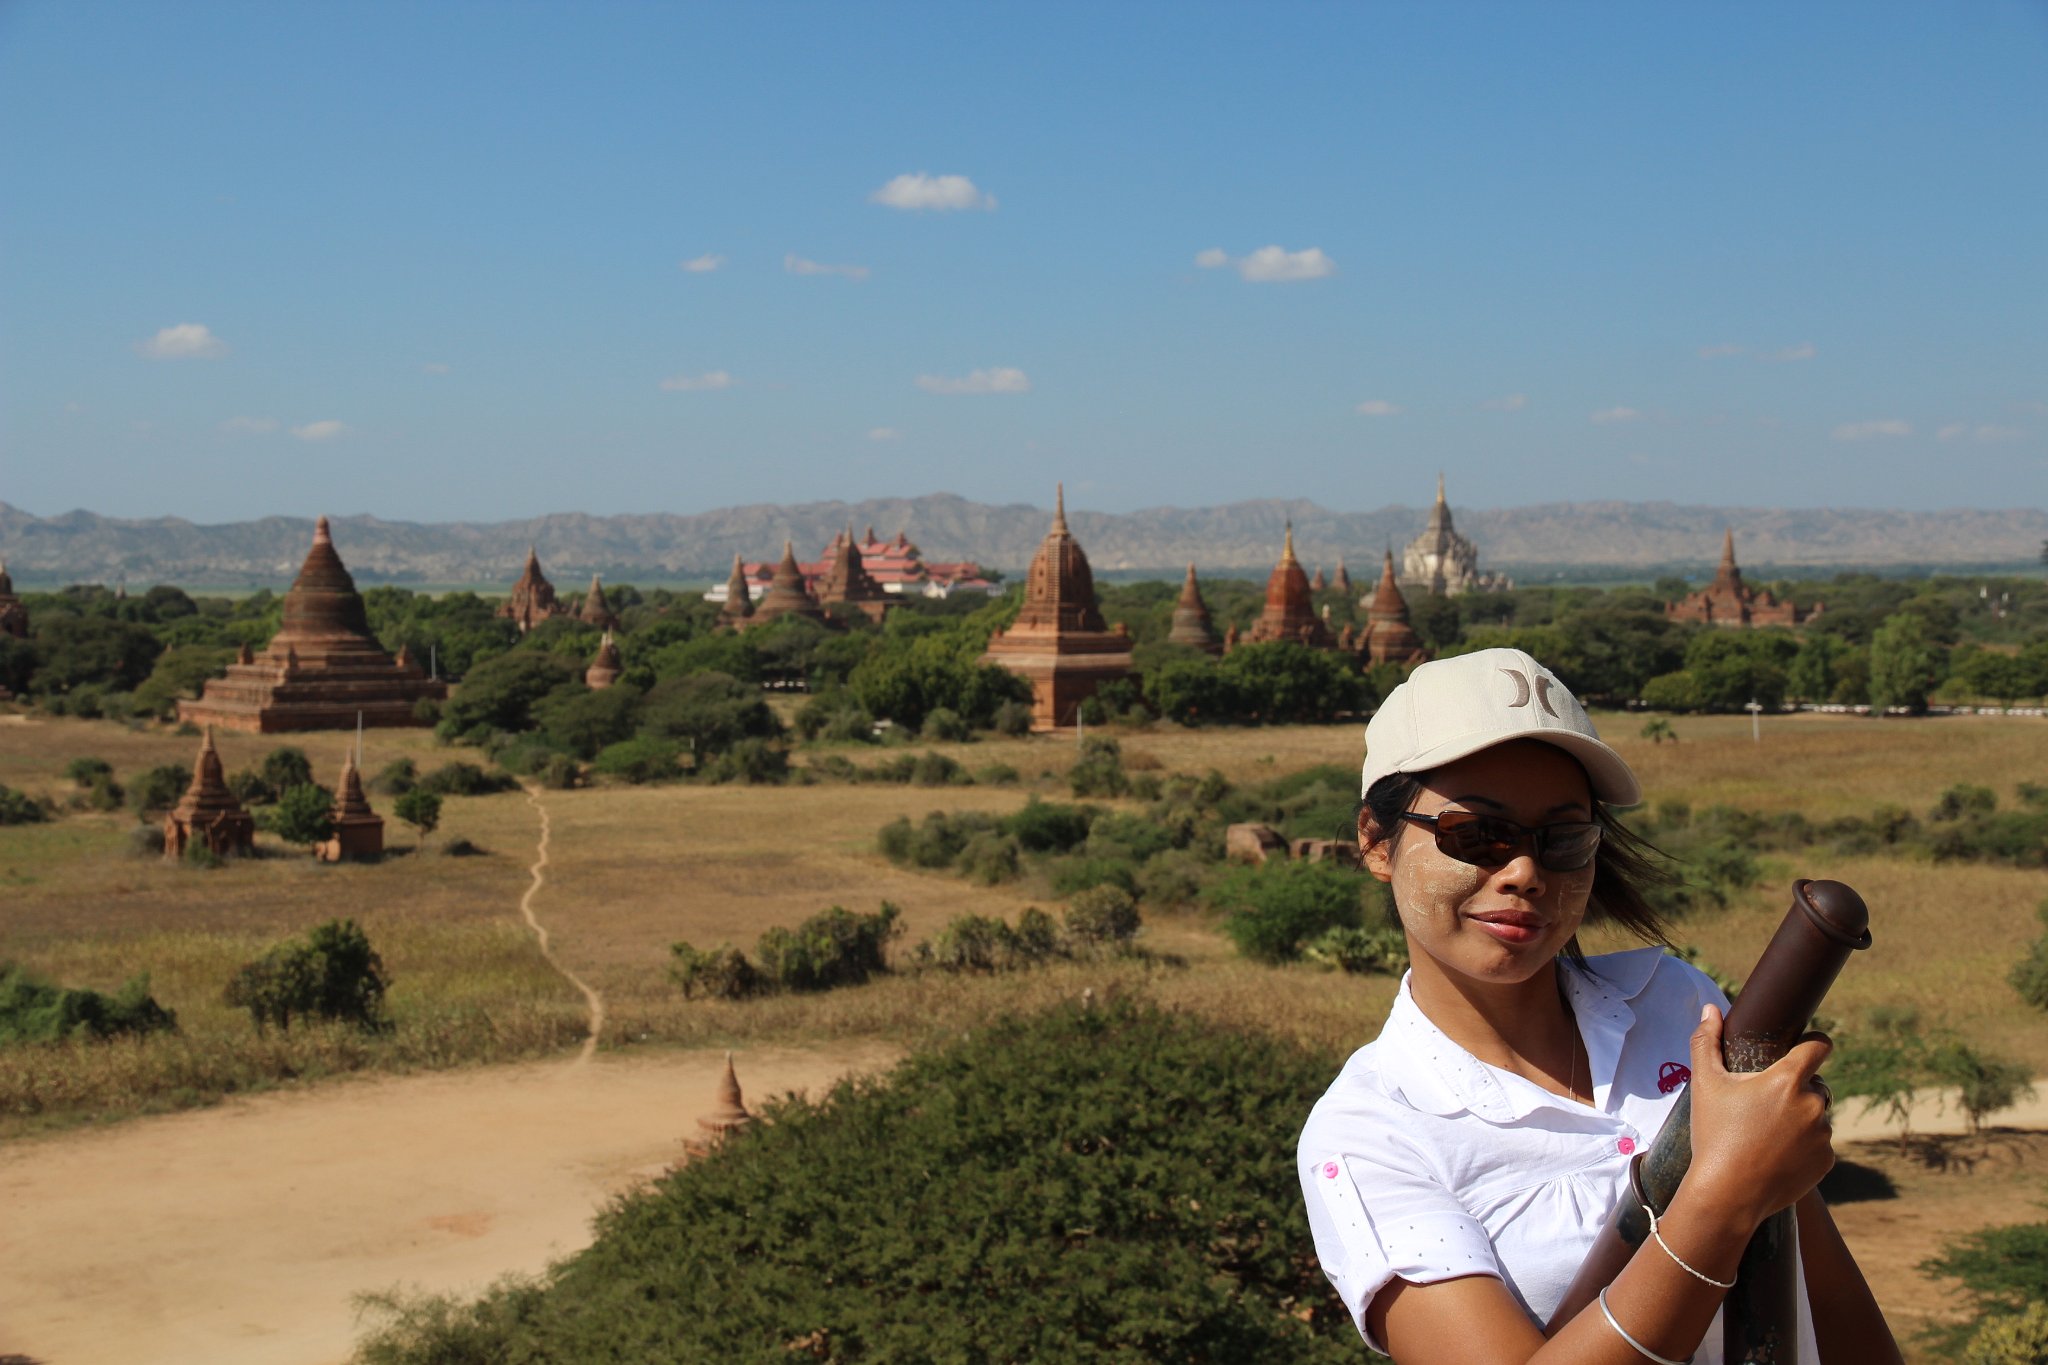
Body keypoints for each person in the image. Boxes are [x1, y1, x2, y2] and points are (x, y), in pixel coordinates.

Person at [1297, 648, 1899, 1364]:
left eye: (1562, 839)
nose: (1524, 872)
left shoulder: (1679, 1005)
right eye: (1476, 835)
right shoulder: (1370, 1134)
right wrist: (1725, 1195)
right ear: (1377, 842)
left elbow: (1823, 1298)